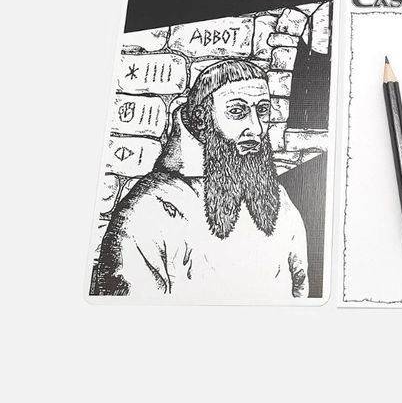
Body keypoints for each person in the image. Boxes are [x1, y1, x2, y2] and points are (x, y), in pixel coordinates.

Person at [96, 60, 308, 300]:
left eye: (262, 110)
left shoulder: (279, 198)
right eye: (237, 112)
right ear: (201, 119)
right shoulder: (148, 208)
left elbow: (300, 288)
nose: (256, 128)